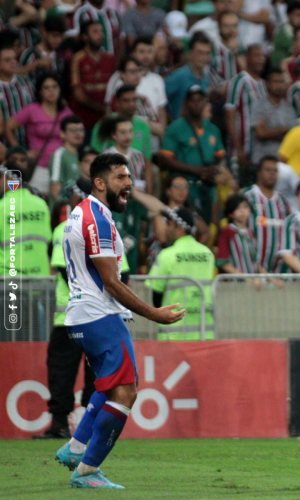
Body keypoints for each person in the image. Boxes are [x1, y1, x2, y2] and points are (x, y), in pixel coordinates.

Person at [53, 153, 185, 489]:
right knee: (126, 393)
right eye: (120, 178)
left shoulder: (79, 214)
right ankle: (87, 471)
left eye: (129, 177)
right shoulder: (97, 219)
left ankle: (76, 447)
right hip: (99, 314)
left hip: (82, 315)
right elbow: (111, 282)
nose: (128, 184)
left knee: (110, 385)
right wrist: (154, 314)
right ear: (100, 182)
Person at [35, 179, 99, 440]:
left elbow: (64, 270)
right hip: (97, 317)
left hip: (69, 318)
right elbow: (123, 274)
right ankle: (92, 425)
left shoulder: (64, 228)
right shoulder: (104, 227)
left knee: (62, 371)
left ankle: (60, 423)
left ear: (76, 197)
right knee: (97, 372)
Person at [159, 85, 226, 226]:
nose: (196, 104)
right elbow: (165, 159)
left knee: (212, 225)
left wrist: (214, 170)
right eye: (192, 100)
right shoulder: (176, 128)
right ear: (186, 103)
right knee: (189, 224)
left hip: (208, 186)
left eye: (200, 100)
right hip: (186, 185)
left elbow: (220, 156)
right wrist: (195, 170)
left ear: (205, 102)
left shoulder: (213, 129)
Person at [147, 206, 215, 339]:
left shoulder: (167, 255)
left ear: (180, 228)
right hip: (204, 332)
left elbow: (156, 296)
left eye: (169, 224)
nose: (166, 228)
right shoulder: (208, 254)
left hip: (174, 334)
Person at [5, 74, 73, 194]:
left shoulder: (66, 112)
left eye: (54, 87)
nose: (51, 91)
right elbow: (8, 127)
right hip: (39, 166)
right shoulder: (32, 110)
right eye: (46, 88)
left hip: (61, 167)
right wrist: (20, 151)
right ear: (40, 92)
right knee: (38, 199)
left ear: (60, 89)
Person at [243, 157, 293, 273]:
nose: (272, 174)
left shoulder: (283, 201)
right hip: (251, 268)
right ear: (259, 173)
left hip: (279, 271)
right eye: (268, 170)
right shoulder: (247, 196)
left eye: (275, 171)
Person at [225, 46, 270, 172]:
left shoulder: (263, 85)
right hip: (240, 151)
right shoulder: (239, 81)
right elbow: (230, 116)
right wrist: (239, 150)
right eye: (256, 56)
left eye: (263, 56)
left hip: (258, 154)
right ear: (247, 58)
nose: (260, 60)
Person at [0, 167, 51, 278]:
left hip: (9, 277)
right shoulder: (41, 205)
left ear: (10, 179)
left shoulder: (2, 207)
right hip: (40, 275)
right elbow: (48, 238)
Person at [69, 21, 117, 134]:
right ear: (85, 37)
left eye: (101, 31)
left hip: (107, 120)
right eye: (95, 32)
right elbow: (78, 94)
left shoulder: (110, 58)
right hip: (84, 121)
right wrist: (101, 108)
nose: (100, 35)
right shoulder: (77, 59)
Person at [246, 68, 297, 168]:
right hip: (261, 161)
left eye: (282, 82)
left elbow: (293, 136)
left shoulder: (289, 108)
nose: (279, 86)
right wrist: (283, 130)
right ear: (267, 84)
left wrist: (270, 132)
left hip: (283, 162)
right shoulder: (259, 105)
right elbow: (260, 133)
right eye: (275, 82)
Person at [91, 85, 152, 167]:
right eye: (126, 101)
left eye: (134, 100)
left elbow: (147, 159)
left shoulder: (143, 125)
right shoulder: (105, 123)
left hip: (136, 169)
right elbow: (95, 154)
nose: (132, 104)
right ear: (117, 103)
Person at [165, 32, 212, 120]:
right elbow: (162, 100)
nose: (204, 57)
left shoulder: (206, 78)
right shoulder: (179, 76)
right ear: (190, 53)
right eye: (200, 53)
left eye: (207, 53)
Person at [100, 115, 150, 193]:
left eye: (130, 131)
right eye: (123, 132)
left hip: (138, 200)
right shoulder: (106, 157)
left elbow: (142, 177)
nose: (128, 136)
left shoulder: (138, 156)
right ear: (113, 135)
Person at [216, 194, 260, 274]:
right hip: (234, 284)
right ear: (230, 214)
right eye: (238, 208)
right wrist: (244, 278)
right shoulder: (228, 232)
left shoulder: (251, 233)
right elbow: (222, 262)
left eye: (245, 207)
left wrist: (269, 277)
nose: (242, 211)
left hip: (250, 283)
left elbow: (254, 261)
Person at [18, 14, 66, 82]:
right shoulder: (29, 54)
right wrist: (36, 64)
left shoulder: (59, 58)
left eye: (60, 36)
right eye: (54, 35)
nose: (58, 40)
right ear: (44, 31)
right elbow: (18, 77)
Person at [49, 116, 86, 202]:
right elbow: (55, 189)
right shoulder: (59, 155)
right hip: (64, 211)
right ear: (62, 133)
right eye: (73, 130)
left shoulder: (83, 155)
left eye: (81, 130)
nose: (78, 133)